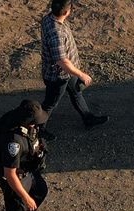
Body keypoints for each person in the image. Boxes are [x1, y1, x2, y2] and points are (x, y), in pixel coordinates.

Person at [40, 0, 108, 138]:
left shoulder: (48, 18)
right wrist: (82, 75)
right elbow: (62, 61)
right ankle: (38, 130)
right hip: (58, 76)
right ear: (66, 12)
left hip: (68, 72)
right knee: (50, 104)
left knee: (76, 93)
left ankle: (88, 119)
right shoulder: (56, 33)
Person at [0, 100, 50, 211]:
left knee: (40, 191)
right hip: (15, 176)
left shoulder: (20, 122)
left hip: (27, 169)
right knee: (17, 207)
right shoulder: (13, 140)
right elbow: (9, 174)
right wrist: (25, 197)